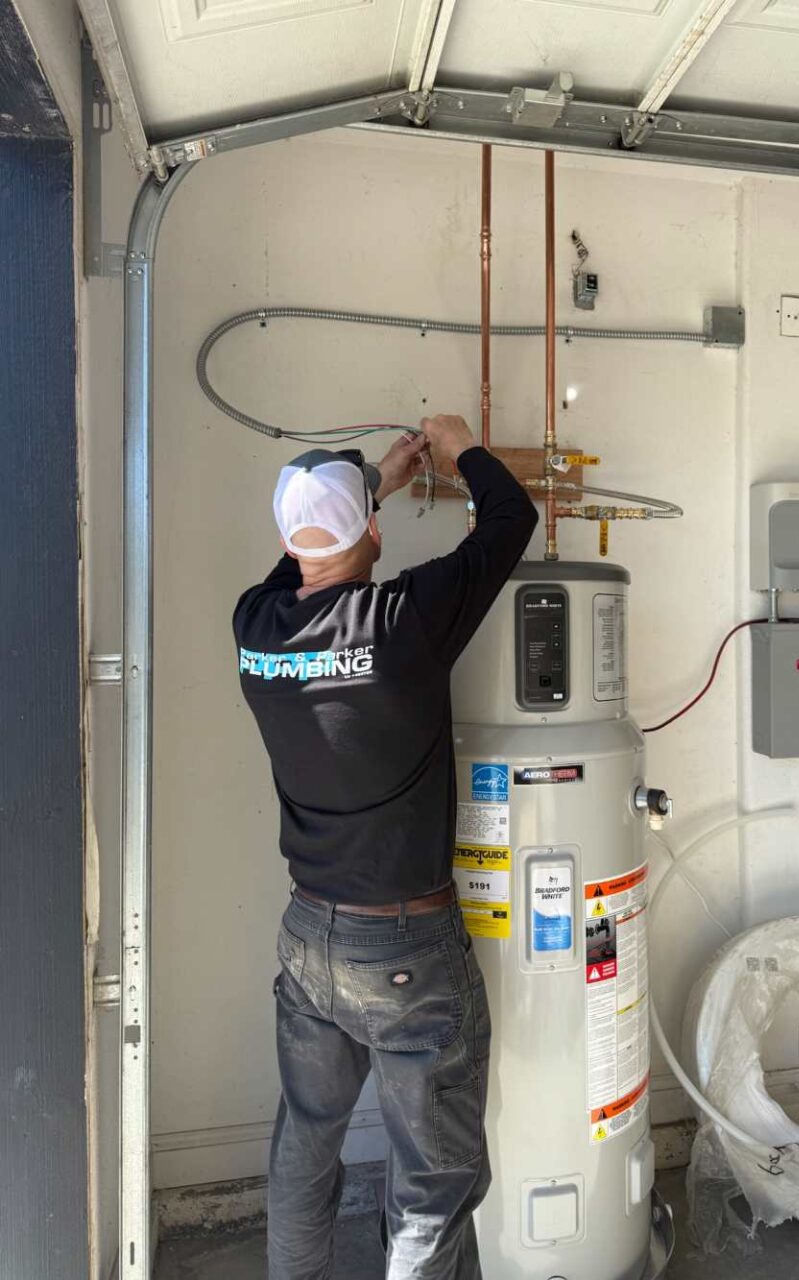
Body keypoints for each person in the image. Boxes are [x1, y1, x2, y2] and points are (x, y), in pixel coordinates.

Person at [233, 415, 538, 1280]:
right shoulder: (403, 619)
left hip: (309, 942)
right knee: (431, 1183)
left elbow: (297, 564)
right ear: (371, 530)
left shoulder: (256, 628)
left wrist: (374, 494)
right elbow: (512, 520)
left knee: (307, 1143)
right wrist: (460, 448)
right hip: (405, 950)